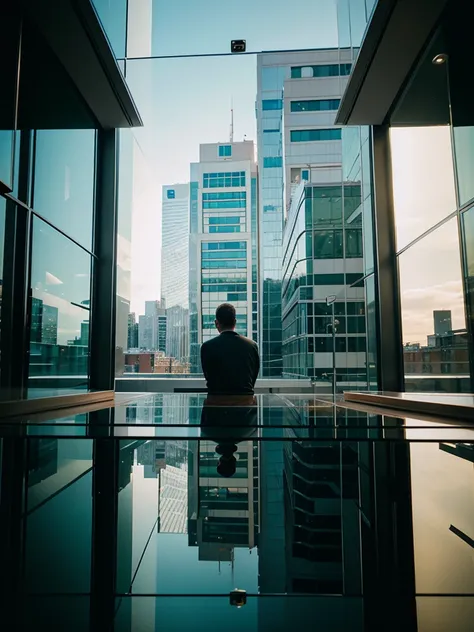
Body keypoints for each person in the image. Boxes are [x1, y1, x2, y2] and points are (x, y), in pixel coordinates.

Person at [200, 303, 259, 395]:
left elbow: (209, 377)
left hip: (216, 403)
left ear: (216, 323)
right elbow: (253, 377)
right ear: (235, 322)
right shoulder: (252, 345)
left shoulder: (207, 347)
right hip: (245, 403)